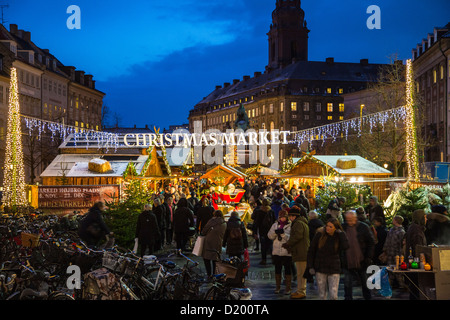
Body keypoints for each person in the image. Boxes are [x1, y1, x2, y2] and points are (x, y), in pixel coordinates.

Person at [307, 218, 349, 300]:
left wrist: (341, 234)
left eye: (330, 227)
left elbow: (346, 246)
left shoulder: (338, 236)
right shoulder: (320, 235)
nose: (327, 228)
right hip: (320, 267)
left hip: (334, 267)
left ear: (335, 228)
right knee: (322, 295)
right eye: (327, 226)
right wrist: (310, 266)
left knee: (333, 295)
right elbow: (311, 250)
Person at [342, 210, 375, 300]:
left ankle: (368, 298)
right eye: (347, 219)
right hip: (347, 261)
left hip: (362, 260)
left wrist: (368, 256)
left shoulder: (363, 227)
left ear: (355, 218)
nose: (349, 221)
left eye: (351, 219)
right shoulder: (343, 227)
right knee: (347, 283)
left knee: (365, 282)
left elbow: (371, 242)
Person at [282, 206, 310, 299]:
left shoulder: (298, 223)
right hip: (300, 250)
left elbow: (297, 236)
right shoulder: (300, 222)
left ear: (294, 216)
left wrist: (288, 243)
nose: (290, 218)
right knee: (300, 272)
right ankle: (300, 290)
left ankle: (301, 291)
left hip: (301, 251)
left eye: (291, 216)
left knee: (301, 273)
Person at [404, 209, 427, 300]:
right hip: (415, 263)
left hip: (413, 262)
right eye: (424, 217)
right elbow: (418, 249)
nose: (426, 219)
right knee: (416, 289)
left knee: (414, 289)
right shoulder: (417, 231)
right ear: (420, 218)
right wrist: (422, 262)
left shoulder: (414, 228)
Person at [267, 210, 292, 295]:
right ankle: (278, 286)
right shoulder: (275, 225)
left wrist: (283, 234)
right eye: (281, 217)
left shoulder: (290, 226)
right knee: (278, 269)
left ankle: (288, 287)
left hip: (286, 252)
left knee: (287, 269)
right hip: (276, 251)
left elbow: (291, 238)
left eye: (284, 217)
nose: (283, 218)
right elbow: (269, 236)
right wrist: (275, 233)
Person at [201, 210, 227, 277]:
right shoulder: (224, 223)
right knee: (215, 259)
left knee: (206, 258)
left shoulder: (212, 221)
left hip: (209, 242)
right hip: (218, 242)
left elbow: (204, 231)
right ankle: (215, 274)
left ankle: (209, 274)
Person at [252, 198, 276, 265]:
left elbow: (256, 223)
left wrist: (255, 232)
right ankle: (273, 259)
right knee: (271, 245)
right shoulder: (271, 211)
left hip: (262, 231)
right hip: (270, 231)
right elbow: (274, 221)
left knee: (263, 246)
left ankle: (264, 260)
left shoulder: (259, 212)